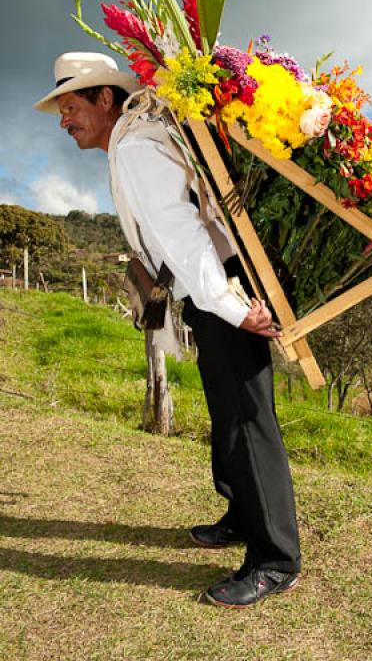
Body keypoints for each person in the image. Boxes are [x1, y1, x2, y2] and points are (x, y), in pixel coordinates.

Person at [35, 51, 301, 607]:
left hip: (220, 286)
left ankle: (276, 559)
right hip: (211, 287)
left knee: (248, 419)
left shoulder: (134, 145)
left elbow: (183, 233)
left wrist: (230, 308)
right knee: (227, 411)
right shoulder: (136, 134)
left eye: (71, 106)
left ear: (104, 97)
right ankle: (241, 512)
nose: (64, 120)